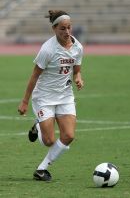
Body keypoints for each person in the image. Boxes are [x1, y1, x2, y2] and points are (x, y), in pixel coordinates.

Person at [18, 10, 84, 182]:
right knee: (48, 141)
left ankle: (42, 169)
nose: (67, 32)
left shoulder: (78, 47)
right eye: (63, 28)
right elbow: (34, 76)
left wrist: (78, 77)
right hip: (44, 98)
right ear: (54, 29)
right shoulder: (48, 49)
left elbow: (76, 70)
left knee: (68, 136)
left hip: (65, 96)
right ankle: (38, 126)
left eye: (69, 27)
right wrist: (25, 101)